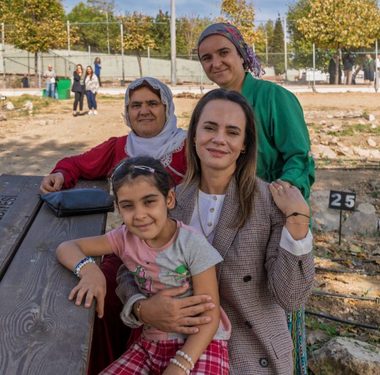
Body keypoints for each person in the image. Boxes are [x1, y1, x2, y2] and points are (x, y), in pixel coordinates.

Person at [116, 89, 314, 374]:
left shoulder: (271, 204)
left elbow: (291, 298)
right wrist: (141, 308)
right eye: (210, 127)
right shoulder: (168, 201)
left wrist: (298, 222)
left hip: (249, 352)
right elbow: (129, 264)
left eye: (232, 132)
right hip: (175, 348)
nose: (219, 139)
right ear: (193, 135)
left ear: (245, 144)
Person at [40, 77, 187, 374]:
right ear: (127, 111)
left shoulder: (189, 147)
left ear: (167, 108)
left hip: (180, 251)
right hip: (127, 249)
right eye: (135, 105)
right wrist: (59, 174)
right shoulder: (120, 147)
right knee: (96, 295)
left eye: (152, 103)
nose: (143, 111)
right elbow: (77, 164)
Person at [196, 23, 315, 374]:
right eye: (206, 58)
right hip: (226, 215)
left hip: (269, 216)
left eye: (223, 53)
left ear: (243, 55)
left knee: (274, 305)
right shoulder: (213, 106)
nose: (215, 63)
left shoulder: (273, 98)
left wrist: (275, 200)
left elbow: (299, 157)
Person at [57, 155, 230, 375]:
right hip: (151, 344)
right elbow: (67, 247)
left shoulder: (192, 244)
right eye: (128, 206)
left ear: (169, 199)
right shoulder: (123, 237)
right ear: (119, 209)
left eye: (149, 201)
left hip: (200, 345)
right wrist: (91, 271)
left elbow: (211, 316)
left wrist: (180, 365)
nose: (139, 215)